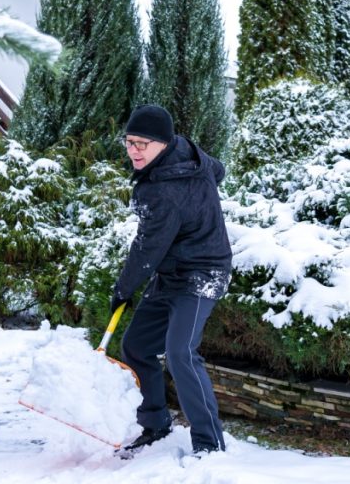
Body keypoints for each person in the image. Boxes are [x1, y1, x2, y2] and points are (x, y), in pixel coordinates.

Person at [110, 104, 233, 457]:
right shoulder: (188, 152)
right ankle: (155, 424)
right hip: (173, 271)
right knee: (136, 346)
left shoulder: (162, 191)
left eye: (142, 144)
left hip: (203, 272)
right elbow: (219, 170)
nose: (134, 150)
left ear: (163, 144)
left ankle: (210, 444)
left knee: (180, 353)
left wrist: (123, 289)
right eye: (129, 142)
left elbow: (148, 247)